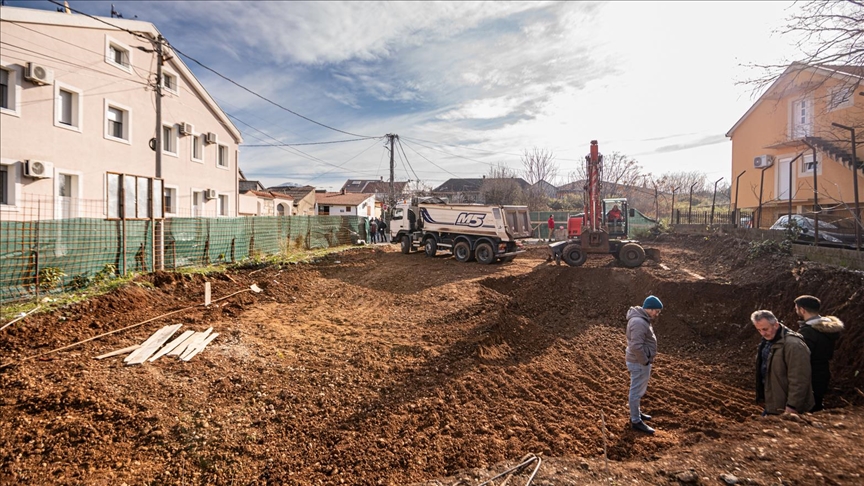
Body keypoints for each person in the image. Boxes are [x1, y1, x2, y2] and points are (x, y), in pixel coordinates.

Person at [751, 310, 815, 416]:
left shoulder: (794, 345)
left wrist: (792, 406)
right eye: (759, 330)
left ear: (775, 325)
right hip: (774, 403)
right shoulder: (767, 341)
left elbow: (799, 378)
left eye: (765, 329)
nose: (762, 333)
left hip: (787, 407)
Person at [794, 295, 844, 412]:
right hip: (823, 371)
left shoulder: (808, 331)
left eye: (796, 309)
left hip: (810, 373)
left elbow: (802, 356)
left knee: (808, 407)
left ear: (802, 310)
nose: (796, 311)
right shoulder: (829, 328)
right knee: (817, 404)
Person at [626, 295, 662, 434]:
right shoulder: (639, 322)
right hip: (638, 362)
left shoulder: (641, 319)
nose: (656, 314)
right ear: (649, 308)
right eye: (656, 311)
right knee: (635, 391)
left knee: (638, 390)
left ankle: (637, 413)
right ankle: (636, 420)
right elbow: (636, 345)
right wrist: (645, 361)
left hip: (640, 361)